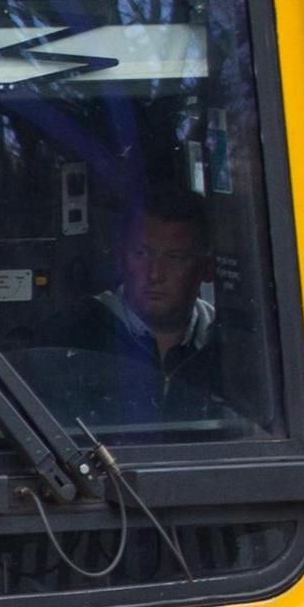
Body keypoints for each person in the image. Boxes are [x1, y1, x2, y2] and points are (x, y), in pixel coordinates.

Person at [66, 181, 232, 424]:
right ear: (121, 257)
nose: (155, 274)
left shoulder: (228, 347)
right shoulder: (72, 334)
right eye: (141, 254)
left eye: (175, 258)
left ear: (207, 268)